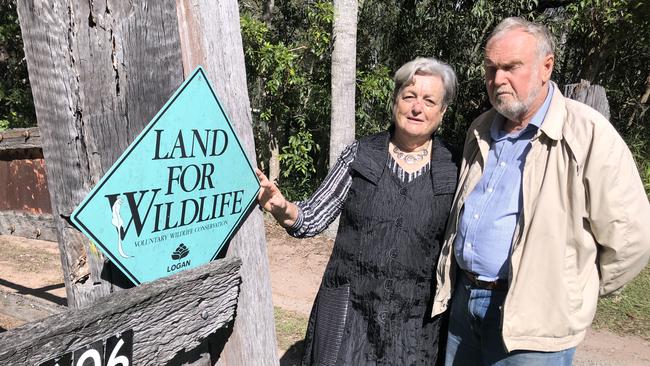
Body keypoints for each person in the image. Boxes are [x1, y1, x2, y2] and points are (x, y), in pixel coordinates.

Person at [432, 17, 650, 365]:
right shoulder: (482, 128)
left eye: (511, 67)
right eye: (491, 69)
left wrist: (574, 291)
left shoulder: (588, 133)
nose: (498, 79)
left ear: (546, 66)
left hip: (536, 326)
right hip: (464, 304)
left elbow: (633, 238)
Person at [257, 57, 460, 365]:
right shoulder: (359, 154)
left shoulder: (454, 168)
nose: (417, 107)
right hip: (349, 314)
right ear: (395, 101)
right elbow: (312, 218)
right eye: (409, 96)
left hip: (415, 328)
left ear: (442, 112)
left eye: (429, 101)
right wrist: (282, 208)